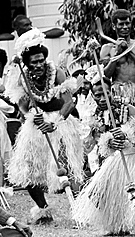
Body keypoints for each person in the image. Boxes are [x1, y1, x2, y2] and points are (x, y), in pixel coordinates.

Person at [5, 29, 84, 223]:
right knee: (29, 170)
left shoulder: (56, 73)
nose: (39, 64)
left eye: (41, 60)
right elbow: (22, 105)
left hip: (61, 122)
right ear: (27, 64)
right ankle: (43, 209)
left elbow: (69, 102)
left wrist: (54, 123)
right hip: (36, 125)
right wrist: (32, 116)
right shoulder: (21, 77)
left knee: (68, 167)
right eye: (34, 62)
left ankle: (79, 211)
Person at [73, 75, 135, 235]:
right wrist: (107, 143)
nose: (102, 98)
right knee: (96, 194)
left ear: (112, 91)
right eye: (97, 95)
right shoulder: (94, 117)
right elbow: (93, 146)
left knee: (133, 195)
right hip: (110, 163)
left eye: (105, 94)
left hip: (133, 158)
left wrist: (127, 139)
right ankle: (116, 224)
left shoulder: (129, 110)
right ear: (92, 95)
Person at [101, 9, 135, 113]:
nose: (125, 27)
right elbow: (105, 75)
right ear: (114, 26)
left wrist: (129, 51)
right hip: (118, 94)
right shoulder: (107, 48)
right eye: (121, 24)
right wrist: (117, 53)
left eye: (127, 23)